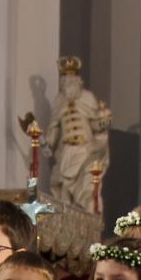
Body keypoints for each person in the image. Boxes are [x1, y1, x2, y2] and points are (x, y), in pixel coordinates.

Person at [50, 58, 112, 213]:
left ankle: (89, 221)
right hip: (66, 153)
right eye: (66, 77)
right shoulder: (58, 101)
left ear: (78, 79)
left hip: (86, 151)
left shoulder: (87, 97)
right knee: (64, 193)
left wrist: (102, 122)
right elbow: (54, 129)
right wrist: (45, 142)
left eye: (73, 76)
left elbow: (96, 125)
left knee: (86, 190)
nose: (70, 80)